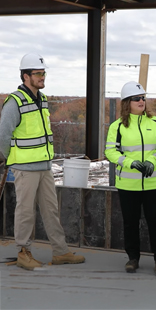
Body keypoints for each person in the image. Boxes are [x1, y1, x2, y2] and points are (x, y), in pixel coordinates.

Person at [0, 53, 85, 270]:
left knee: (50, 210)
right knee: (25, 211)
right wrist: (10, 157)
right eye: (38, 73)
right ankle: (23, 252)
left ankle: (60, 252)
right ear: (25, 76)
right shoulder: (15, 101)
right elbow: (3, 135)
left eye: (43, 72)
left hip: (44, 166)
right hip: (25, 168)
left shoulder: (42, 99)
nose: (42, 76)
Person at [105, 81, 156, 276]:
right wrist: (130, 163)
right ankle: (132, 258)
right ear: (127, 102)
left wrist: (153, 160)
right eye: (137, 98)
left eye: (143, 97)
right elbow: (110, 151)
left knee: (155, 222)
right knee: (130, 222)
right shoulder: (117, 127)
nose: (141, 101)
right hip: (128, 184)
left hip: (153, 183)